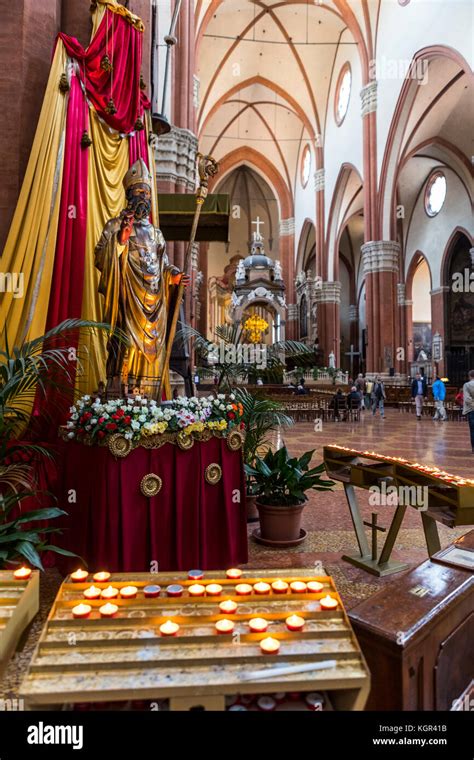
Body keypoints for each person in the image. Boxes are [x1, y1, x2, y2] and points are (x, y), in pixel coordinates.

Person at [462, 369, 474, 453]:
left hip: (472, 409)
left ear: (470, 376)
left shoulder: (467, 385)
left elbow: (467, 399)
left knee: (473, 430)